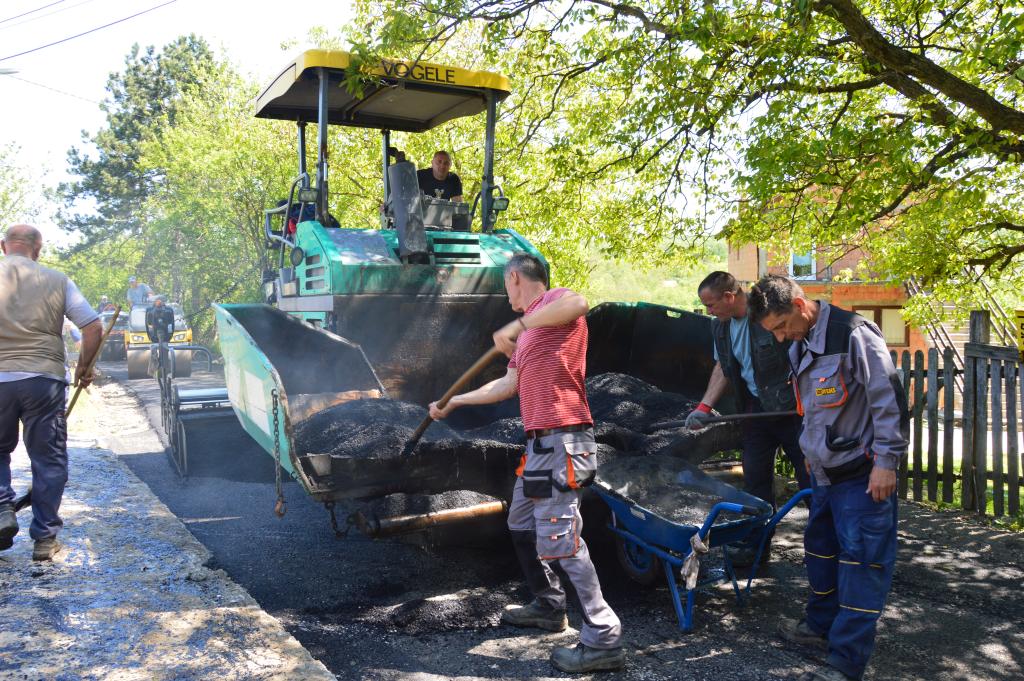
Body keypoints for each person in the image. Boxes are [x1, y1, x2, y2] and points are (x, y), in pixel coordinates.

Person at [428, 253, 623, 673]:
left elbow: (580, 303)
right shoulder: (533, 334)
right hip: (538, 446)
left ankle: (603, 640)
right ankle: (550, 606)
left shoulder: (553, 306)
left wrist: (517, 325)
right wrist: (455, 401)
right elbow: (508, 384)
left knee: (564, 541)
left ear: (515, 277)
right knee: (520, 522)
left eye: (506, 285)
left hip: (564, 439)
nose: (508, 296)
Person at [748, 275, 908, 681]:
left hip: (862, 475)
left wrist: (886, 462)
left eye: (782, 326)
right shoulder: (800, 343)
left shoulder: (853, 334)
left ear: (801, 306)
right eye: (774, 332)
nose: (782, 338)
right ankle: (819, 628)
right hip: (824, 476)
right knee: (820, 553)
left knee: (862, 565)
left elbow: (888, 398)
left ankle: (846, 661)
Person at [685, 271, 810, 565]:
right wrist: (704, 407)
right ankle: (757, 546)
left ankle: (823, 548)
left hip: (792, 411)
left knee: (811, 480)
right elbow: (723, 369)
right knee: (755, 480)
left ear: (730, 297)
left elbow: (802, 354)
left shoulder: (766, 315)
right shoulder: (720, 328)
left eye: (711, 305)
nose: (708, 311)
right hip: (756, 411)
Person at [0, 224, 102, 561]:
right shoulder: (56, 279)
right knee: (48, 458)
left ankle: (2, 509)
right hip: (43, 381)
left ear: (4, 247)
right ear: (38, 249)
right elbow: (92, 326)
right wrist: (84, 368)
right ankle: (44, 540)